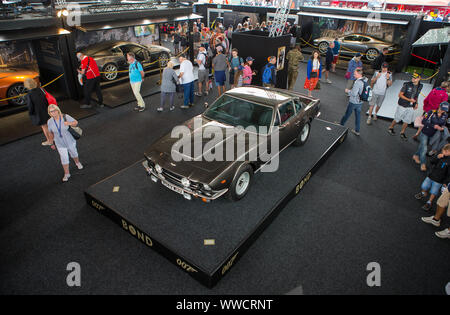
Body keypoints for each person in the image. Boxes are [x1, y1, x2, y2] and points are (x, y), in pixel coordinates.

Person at [47, 104, 83, 182]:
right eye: (51, 112)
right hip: (59, 143)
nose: (53, 113)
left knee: (74, 153)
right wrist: (51, 143)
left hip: (69, 140)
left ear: (58, 110)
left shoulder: (65, 116)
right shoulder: (49, 121)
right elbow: (50, 133)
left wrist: (69, 123)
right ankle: (67, 173)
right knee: (64, 158)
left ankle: (77, 162)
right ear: (49, 113)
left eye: (54, 110)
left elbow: (76, 122)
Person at [412, 102, 448, 171]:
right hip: (425, 132)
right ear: (439, 106)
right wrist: (433, 126)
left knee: (422, 146)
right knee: (425, 148)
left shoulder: (445, 115)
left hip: (434, 135)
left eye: (444, 110)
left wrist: (441, 128)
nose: (442, 111)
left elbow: (443, 124)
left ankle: (416, 155)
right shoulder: (431, 112)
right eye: (442, 109)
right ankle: (423, 164)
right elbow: (423, 122)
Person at [388, 73, 423, 141]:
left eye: (415, 78)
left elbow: (416, 95)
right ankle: (391, 127)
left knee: (407, 120)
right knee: (397, 118)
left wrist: (416, 103)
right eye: (413, 77)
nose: (413, 78)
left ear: (419, 79)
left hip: (411, 106)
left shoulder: (420, 86)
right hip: (403, 105)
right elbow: (400, 95)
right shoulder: (406, 84)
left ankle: (402, 132)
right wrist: (410, 100)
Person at [415, 144, 450, 210]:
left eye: (446, 151)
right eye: (443, 150)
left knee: (433, 192)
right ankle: (423, 193)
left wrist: (445, 182)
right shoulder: (440, 156)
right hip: (431, 175)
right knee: (424, 186)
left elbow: (449, 174)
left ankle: (429, 202)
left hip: (439, 180)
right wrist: (437, 157)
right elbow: (432, 162)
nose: (443, 152)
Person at [24, 78, 52, 146]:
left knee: (45, 127)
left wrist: (30, 113)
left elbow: (30, 106)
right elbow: (46, 100)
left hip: (39, 113)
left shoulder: (29, 95)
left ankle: (49, 141)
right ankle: (53, 139)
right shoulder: (41, 89)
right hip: (47, 109)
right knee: (50, 125)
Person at [339, 68, 366, 136]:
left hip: (354, 102)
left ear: (360, 74)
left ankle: (340, 125)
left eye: (355, 74)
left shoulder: (358, 82)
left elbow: (354, 94)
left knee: (347, 114)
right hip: (360, 102)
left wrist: (347, 91)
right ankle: (357, 130)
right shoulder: (365, 80)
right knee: (358, 117)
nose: (354, 75)